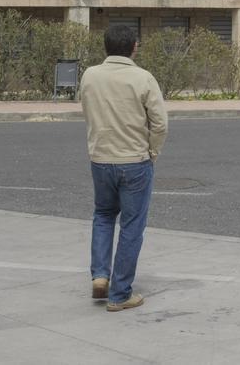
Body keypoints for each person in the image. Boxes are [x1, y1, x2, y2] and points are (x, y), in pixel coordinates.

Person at [78, 24, 168, 312]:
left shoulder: (89, 76)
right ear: (134, 47)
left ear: (106, 47)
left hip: (101, 159)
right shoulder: (143, 78)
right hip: (135, 161)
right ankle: (120, 293)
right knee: (131, 225)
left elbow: (87, 110)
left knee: (103, 215)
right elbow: (160, 123)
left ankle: (100, 275)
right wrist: (152, 151)